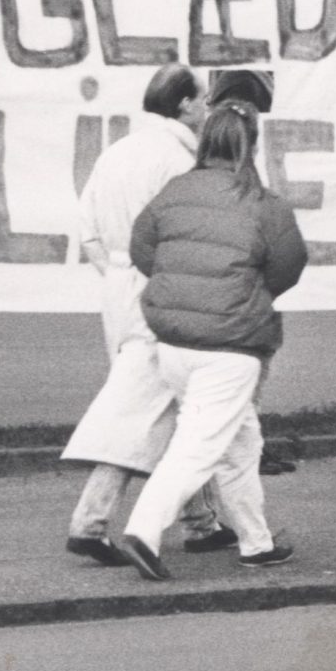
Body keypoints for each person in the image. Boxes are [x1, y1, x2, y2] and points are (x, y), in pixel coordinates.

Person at [112, 102, 306, 580]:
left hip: (176, 344)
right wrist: (246, 294)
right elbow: (289, 267)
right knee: (199, 446)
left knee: (240, 442)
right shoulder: (264, 205)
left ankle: (257, 543)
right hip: (231, 346)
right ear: (252, 145)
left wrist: (185, 290)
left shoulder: (173, 192)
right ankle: (143, 529)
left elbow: (142, 249)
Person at [59, 63, 227, 566]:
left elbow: (88, 230)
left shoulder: (117, 153)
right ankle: (90, 521)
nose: (209, 108)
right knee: (143, 408)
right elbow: (191, 234)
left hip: (120, 286)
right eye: (204, 100)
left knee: (177, 405)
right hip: (164, 289)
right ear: (184, 105)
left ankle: (202, 521)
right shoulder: (180, 161)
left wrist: (118, 273)